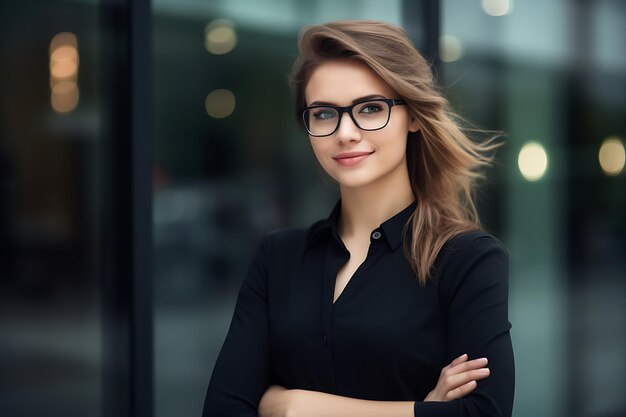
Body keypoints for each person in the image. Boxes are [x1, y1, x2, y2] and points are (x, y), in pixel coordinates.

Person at [202, 20, 514, 417]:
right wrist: (420, 410)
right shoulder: (276, 258)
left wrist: (292, 405)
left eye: (370, 108)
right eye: (324, 114)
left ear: (413, 115)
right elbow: (223, 410)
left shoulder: (468, 260)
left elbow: (484, 414)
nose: (345, 132)